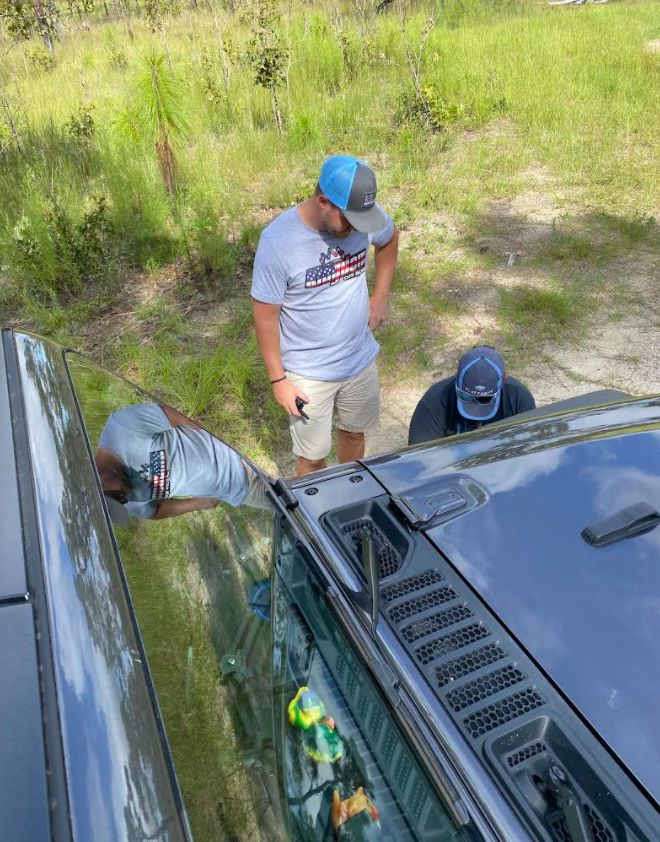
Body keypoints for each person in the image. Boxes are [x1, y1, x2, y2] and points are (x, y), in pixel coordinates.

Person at [251, 154, 399, 476]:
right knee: (313, 458)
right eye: (349, 221)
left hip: (358, 359)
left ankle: (349, 491)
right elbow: (265, 316)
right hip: (308, 373)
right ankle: (311, 514)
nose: (356, 229)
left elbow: (388, 238)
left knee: (354, 434)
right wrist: (279, 380)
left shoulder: (360, 216)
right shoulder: (278, 243)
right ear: (323, 202)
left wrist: (380, 297)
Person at [96, 402, 265, 519]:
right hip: (240, 491)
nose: (125, 501)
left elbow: (176, 416)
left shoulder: (122, 428)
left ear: (100, 478)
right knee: (288, 507)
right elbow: (155, 511)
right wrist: (200, 503)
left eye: (117, 496)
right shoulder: (126, 502)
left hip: (243, 453)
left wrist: (231, 438)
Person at [408, 346, 535, 445]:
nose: (475, 405)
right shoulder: (434, 402)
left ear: (504, 380)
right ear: (457, 376)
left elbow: (529, 448)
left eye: (486, 399)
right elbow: (421, 458)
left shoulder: (520, 399)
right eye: (465, 396)